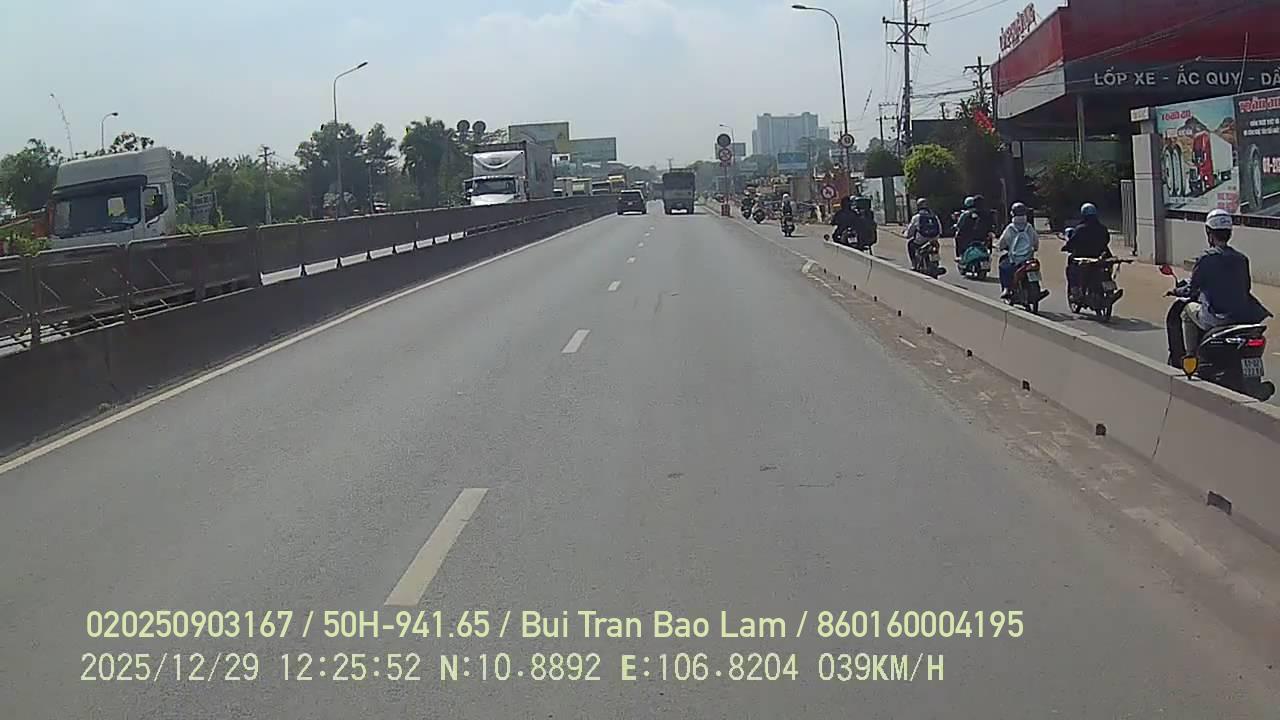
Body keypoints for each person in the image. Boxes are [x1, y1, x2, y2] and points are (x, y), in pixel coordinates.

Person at [1174, 209, 1271, 358]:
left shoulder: (1205, 259)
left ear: (1209, 233)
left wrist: (1176, 291)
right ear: (1229, 233)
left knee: (1187, 311)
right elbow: (1246, 288)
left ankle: (1190, 357)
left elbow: (1191, 290)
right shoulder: (1242, 259)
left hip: (1216, 318)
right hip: (1242, 316)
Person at [1063, 202, 1111, 301]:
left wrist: (1066, 247)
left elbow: (1072, 242)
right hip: (1099, 256)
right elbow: (1107, 240)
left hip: (1082, 256)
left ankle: (1075, 289)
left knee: (1071, 268)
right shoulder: (1102, 228)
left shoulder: (1079, 229)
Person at [997, 202, 1041, 298]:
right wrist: (1035, 248)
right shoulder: (1029, 227)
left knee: (1003, 266)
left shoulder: (1010, 228)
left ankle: (1006, 289)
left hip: (1014, 259)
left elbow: (1002, 242)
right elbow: (1036, 241)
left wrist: (1000, 247)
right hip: (1028, 257)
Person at [905, 197, 943, 266]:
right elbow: (940, 230)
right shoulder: (934, 216)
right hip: (933, 239)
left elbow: (911, 230)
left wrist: (907, 235)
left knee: (910, 244)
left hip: (921, 240)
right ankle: (936, 262)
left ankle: (914, 263)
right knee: (936, 246)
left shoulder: (916, 217)